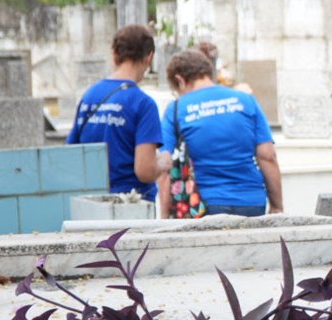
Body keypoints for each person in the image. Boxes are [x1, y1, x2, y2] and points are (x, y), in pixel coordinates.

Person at [157, 49, 283, 217]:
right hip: (251, 201)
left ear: (180, 80)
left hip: (203, 205)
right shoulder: (246, 100)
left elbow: (164, 167)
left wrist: (165, 217)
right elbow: (267, 156)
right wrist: (277, 206)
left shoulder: (176, 109)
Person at [67, 24, 162, 201]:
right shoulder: (143, 104)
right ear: (149, 57)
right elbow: (145, 171)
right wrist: (163, 163)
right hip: (131, 203)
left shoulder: (89, 96)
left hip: (91, 201)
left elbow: (72, 153)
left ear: (114, 54)